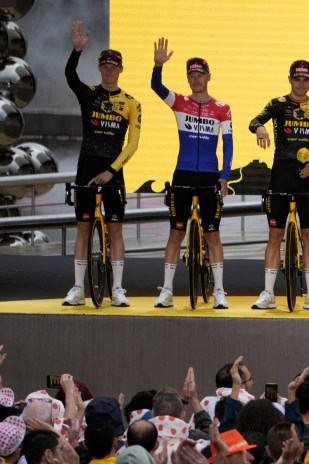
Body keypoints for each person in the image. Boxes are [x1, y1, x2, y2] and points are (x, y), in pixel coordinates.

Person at [63, 20, 141, 308]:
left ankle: (118, 288)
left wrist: (111, 171)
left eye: (114, 66)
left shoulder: (132, 103)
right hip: (86, 167)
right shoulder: (89, 94)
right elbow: (70, 76)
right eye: (105, 66)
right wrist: (76, 50)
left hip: (114, 171)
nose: (109, 70)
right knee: (82, 228)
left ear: (121, 69)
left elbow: (132, 144)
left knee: (116, 229)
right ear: (99, 68)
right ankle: (77, 288)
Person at [151, 37, 233, 309]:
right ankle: (167, 291)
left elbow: (228, 144)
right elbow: (156, 87)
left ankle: (220, 291)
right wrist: (158, 66)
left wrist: (224, 176)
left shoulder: (222, 109)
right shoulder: (179, 102)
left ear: (208, 76)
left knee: (213, 235)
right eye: (191, 75)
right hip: (183, 175)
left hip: (209, 176)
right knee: (176, 233)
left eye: (200, 75)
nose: (196, 79)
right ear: (188, 79)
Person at [249, 60, 309, 311]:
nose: (301, 83)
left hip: (307, 176)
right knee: (275, 235)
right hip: (281, 175)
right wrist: (260, 128)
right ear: (290, 79)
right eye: (297, 79)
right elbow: (254, 120)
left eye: (305, 79)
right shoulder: (278, 104)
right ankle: (267, 293)